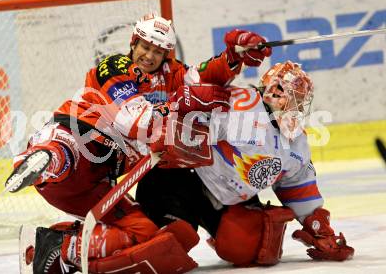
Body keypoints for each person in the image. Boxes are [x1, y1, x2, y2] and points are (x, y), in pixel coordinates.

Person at [4, 12, 272, 274]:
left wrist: (233, 57)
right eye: (145, 46)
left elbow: (205, 78)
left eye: (157, 51)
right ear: (133, 43)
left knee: (146, 234)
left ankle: (58, 247)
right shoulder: (115, 66)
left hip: (101, 180)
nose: (149, 55)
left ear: (165, 54)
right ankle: (41, 161)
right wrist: (181, 103)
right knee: (65, 153)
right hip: (83, 137)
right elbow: (135, 121)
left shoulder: (172, 73)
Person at [136, 60, 355, 267]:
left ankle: (216, 231)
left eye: (301, 101)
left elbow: (298, 185)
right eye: (295, 98)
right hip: (180, 182)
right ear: (277, 92)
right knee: (174, 240)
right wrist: (173, 127)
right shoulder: (241, 104)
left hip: (225, 200)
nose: (298, 107)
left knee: (251, 249)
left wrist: (319, 228)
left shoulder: (296, 142)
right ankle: (125, 236)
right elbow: (187, 118)